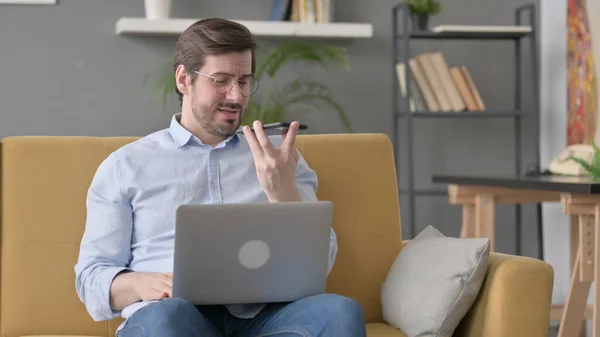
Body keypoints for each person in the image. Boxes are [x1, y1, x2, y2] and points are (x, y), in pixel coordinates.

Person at [74, 17, 366, 337]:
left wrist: (282, 192)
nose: (237, 96)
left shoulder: (278, 159)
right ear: (184, 79)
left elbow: (319, 266)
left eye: (244, 81)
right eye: (221, 80)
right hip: (173, 317)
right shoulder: (125, 166)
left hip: (267, 319)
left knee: (341, 311)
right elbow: (91, 279)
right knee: (164, 320)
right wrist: (142, 282)